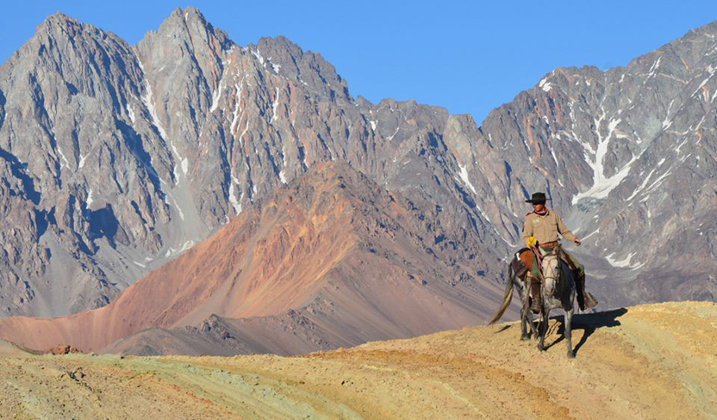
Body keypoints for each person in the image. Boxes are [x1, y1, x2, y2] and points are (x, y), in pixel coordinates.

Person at [521, 192, 598, 312]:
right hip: (539, 250)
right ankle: (536, 301)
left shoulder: (553, 215)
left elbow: (564, 231)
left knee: (578, 267)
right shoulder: (530, 218)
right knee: (535, 273)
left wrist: (574, 239)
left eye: (537, 203)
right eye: (534, 204)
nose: (534, 206)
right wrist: (529, 242)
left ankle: (582, 297)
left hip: (555, 248)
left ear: (543, 203)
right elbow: (525, 236)